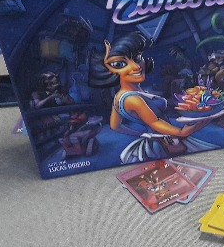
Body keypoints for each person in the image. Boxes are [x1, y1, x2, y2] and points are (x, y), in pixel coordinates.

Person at [89, 33, 215, 163]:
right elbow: (155, 122)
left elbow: (115, 126)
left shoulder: (120, 96)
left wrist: (141, 134)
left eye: (137, 58)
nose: (136, 66)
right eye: (121, 64)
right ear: (111, 71)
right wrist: (181, 132)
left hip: (163, 138)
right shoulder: (132, 99)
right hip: (163, 144)